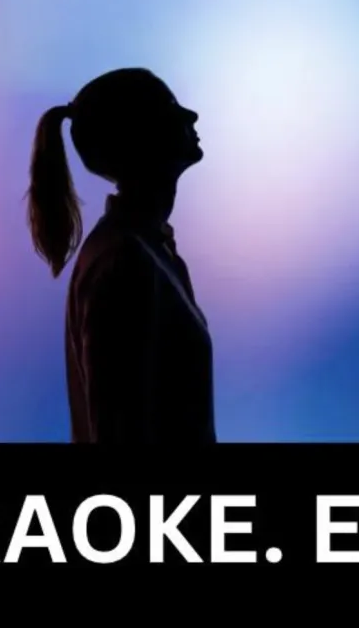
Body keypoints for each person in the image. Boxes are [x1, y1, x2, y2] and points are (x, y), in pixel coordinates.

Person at [26, 67, 215, 444]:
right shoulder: (125, 262)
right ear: (139, 133)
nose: (190, 115)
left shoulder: (147, 251)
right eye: (170, 106)